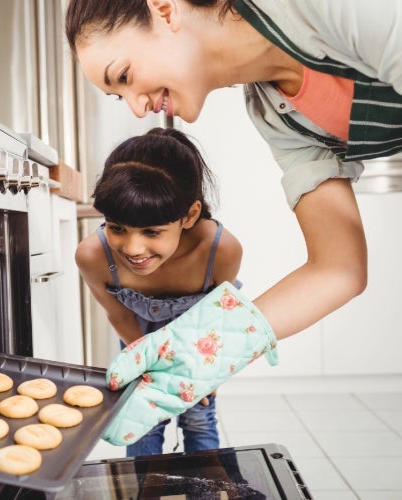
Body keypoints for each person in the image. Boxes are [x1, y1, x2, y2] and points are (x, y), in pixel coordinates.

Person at [65, 0, 402, 342]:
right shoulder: (275, 115)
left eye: (124, 76)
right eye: (120, 96)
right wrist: (204, 353)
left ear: (165, 10)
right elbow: (339, 269)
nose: (138, 109)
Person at [75, 127, 243, 455]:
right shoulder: (93, 256)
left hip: (199, 343)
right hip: (138, 338)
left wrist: (203, 373)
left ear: (189, 216)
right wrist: (147, 368)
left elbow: (219, 318)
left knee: (199, 417)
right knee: (140, 422)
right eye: (117, 227)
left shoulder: (220, 250)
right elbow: (119, 314)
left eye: (152, 231)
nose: (133, 248)